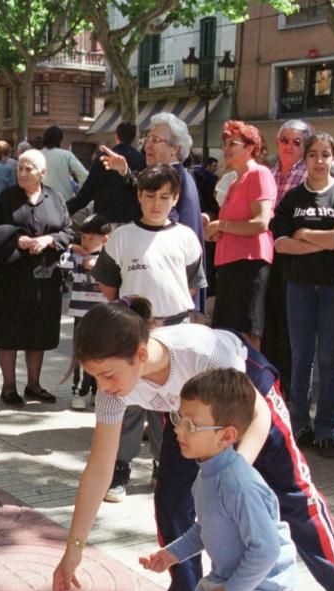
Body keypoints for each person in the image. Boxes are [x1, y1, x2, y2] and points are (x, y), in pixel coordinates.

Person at [52, 299, 334, 591]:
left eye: (108, 375)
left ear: (141, 355)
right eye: (96, 377)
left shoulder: (201, 353)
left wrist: (234, 475)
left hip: (246, 403)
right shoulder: (113, 391)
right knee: (172, 504)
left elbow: (256, 414)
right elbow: (99, 468)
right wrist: (74, 549)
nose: (103, 386)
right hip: (189, 419)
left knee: (295, 496)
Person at [140, 368, 296, 591]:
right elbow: (206, 527)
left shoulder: (238, 485)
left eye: (192, 425)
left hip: (261, 588)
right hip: (231, 579)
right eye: (179, 418)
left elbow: (266, 549)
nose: (178, 429)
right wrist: (171, 554)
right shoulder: (207, 474)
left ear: (226, 436)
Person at [91, 164, 207, 501]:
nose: (157, 203)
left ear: (175, 199)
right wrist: (128, 321)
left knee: (170, 402)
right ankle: (121, 466)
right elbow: (109, 285)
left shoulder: (186, 237)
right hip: (134, 329)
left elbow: (191, 285)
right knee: (128, 399)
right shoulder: (123, 237)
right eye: (150, 195)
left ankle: (163, 462)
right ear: (139, 196)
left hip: (175, 330)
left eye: (164, 197)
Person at [271, 132, 334, 459]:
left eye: (326, 154)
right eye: (313, 154)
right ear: (305, 159)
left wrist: (304, 235)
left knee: (331, 360)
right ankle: (299, 425)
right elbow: (279, 241)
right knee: (301, 359)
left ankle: (327, 429)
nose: (319, 160)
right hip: (299, 285)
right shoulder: (294, 197)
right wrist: (327, 238)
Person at [0, 148, 74, 405]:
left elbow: (67, 232)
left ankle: (34, 384)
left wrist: (48, 240)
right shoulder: (7, 197)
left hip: (44, 278)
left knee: (38, 334)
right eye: (20, 168)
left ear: (42, 173)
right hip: (10, 277)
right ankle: (9, 387)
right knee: (8, 333)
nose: (22, 173)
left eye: (28, 169)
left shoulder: (55, 198)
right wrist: (17, 239)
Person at [98, 113, 205, 311]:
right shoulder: (170, 174)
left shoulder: (178, 178)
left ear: (175, 148)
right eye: (147, 139)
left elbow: (165, 228)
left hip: (168, 305)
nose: (148, 145)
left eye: (155, 140)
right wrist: (124, 171)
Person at [207, 120, 276, 349]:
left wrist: (222, 225)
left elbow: (261, 222)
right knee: (227, 334)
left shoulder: (259, 174)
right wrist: (216, 231)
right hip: (230, 263)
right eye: (224, 143)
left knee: (246, 333)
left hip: (249, 264)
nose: (226, 149)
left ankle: (252, 382)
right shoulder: (237, 181)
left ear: (250, 147)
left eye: (232, 143)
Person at [261, 119, 312, 391]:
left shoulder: (308, 175)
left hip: (293, 257)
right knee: (270, 321)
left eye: (296, 142)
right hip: (267, 255)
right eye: (284, 140)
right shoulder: (268, 173)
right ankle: (270, 383)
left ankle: (290, 387)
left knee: (291, 323)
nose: (289, 146)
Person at [62, 213, 110, 410]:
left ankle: (99, 392)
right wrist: (72, 247)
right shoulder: (77, 256)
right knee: (81, 353)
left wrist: (96, 268)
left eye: (92, 238)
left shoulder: (109, 259)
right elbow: (62, 262)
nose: (87, 242)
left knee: (103, 353)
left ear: (105, 239)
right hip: (81, 314)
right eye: (84, 237)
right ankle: (79, 390)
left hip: (104, 315)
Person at [66, 121, 143, 224]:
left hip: (105, 221)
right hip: (132, 221)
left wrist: (64, 210)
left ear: (117, 136)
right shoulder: (141, 159)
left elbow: (87, 193)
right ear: (133, 137)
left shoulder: (103, 158)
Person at [39, 125, 88, 203]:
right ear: (60, 140)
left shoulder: (36, 155)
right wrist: (80, 195)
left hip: (40, 202)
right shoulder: (66, 155)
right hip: (63, 202)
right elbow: (84, 176)